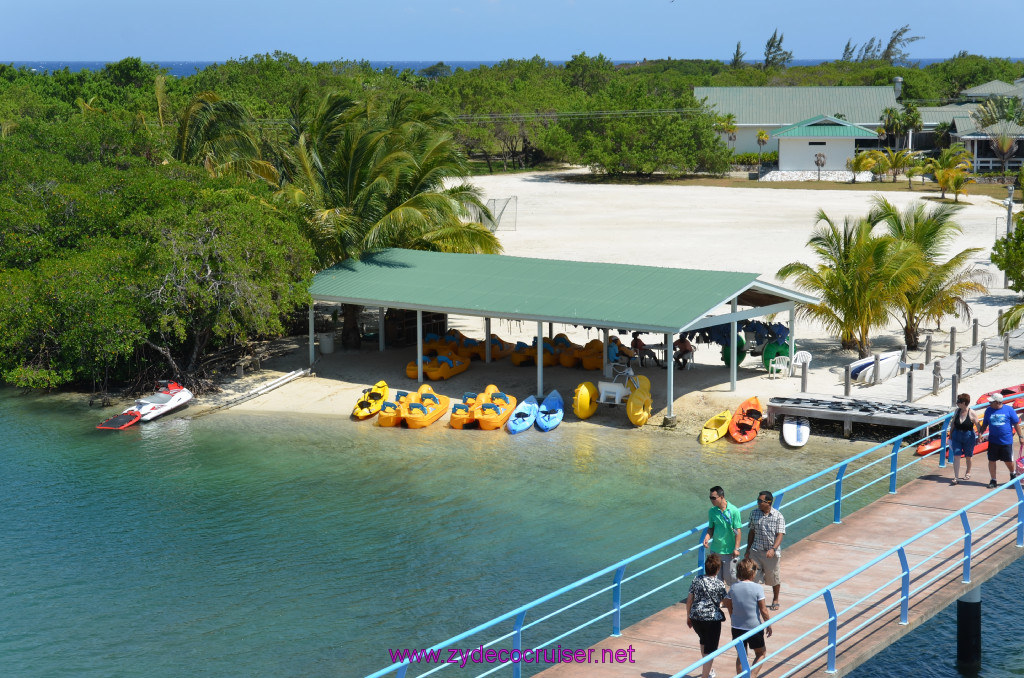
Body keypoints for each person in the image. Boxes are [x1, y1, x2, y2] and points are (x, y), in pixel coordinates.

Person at [722, 558, 772, 678]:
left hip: (737, 627)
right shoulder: (757, 588)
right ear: (752, 573)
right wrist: (768, 624)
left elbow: (727, 603)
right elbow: (763, 610)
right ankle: (752, 675)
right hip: (754, 627)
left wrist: (732, 615)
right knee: (761, 653)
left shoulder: (733, 587)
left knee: (741, 656)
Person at [686, 553, 728, 678]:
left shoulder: (696, 580)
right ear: (718, 569)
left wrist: (688, 616)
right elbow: (724, 601)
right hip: (711, 620)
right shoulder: (719, 584)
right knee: (711, 649)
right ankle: (705, 675)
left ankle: (708, 671)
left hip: (696, 618)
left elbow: (689, 600)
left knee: (703, 640)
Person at [745, 491, 785, 610]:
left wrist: (773, 549)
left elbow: (780, 535)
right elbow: (752, 531)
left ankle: (775, 599)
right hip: (756, 551)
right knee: (752, 577)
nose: (757, 503)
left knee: (773, 578)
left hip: (771, 553)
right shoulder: (754, 513)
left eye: (760, 501)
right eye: (757, 500)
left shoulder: (778, 516)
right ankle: (753, 600)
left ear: (768, 502)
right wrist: (748, 549)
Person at [978, 393, 1024, 488]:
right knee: (991, 460)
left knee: (1008, 460)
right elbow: (984, 424)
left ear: (997, 402)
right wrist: (980, 433)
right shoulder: (988, 410)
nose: (989, 403)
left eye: (991, 402)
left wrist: (1021, 436)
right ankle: (993, 480)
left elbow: (1016, 424)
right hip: (993, 440)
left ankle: (1012, 473)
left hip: (1006, 440)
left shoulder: (1009, 410)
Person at [704, 486, 742, 585]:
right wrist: (707, 537)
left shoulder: (734, 511)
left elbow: (738, 530)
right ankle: (719, 600)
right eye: (710, 498)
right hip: (715, 551)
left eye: (713, 498)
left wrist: (737, 548)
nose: (711, 500)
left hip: (730, 552)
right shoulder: (712, 511)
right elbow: (711, 528)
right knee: (716, 581)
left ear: (721, 497)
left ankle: (733, 600)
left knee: (732, 580)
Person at [947, 393, 980, 485]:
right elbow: (953, 423)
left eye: (959, 402)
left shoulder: (972, 412)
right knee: (956, 456)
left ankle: (968, 472)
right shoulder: (957, 411)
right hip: (957, 435)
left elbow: (978, 425)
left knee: (968, 456)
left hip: (968, 436)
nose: (957, 403)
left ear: (964, 403)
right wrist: (950, 434)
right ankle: (956, 477)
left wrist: (980, 436)